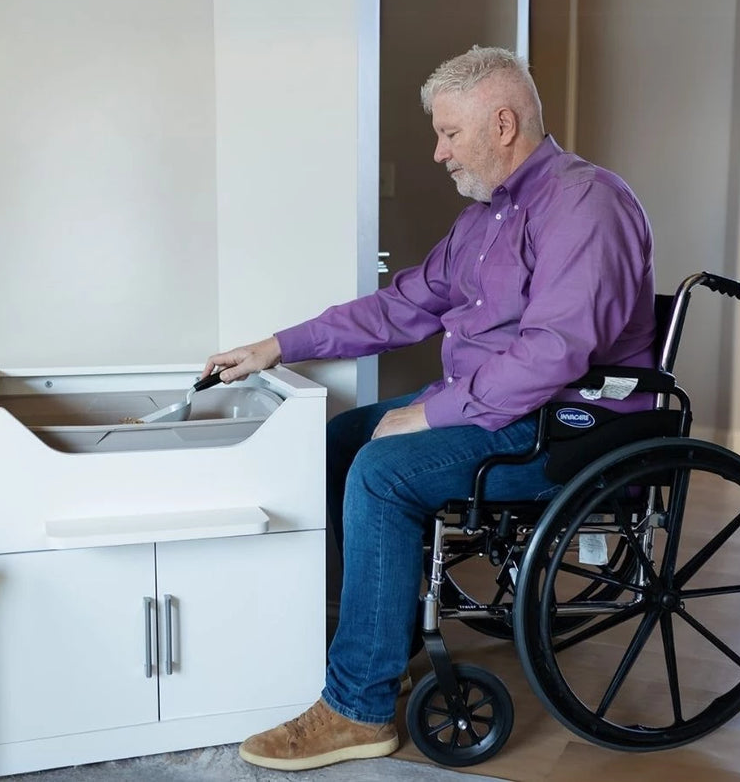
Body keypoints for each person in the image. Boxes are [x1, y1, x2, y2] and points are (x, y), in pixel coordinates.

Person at [204, 45, 657, 771]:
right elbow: (401, 306)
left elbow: (554, 354)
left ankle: (357, 706)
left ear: (502, 124)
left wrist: (435, 412)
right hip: (500, 404)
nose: (438, 151)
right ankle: (389, 644)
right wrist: (277, 345)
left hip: (567, 423)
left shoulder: (586, 203)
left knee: (381, 470)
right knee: (340, 440)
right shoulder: (485, 218)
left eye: (449, 132)